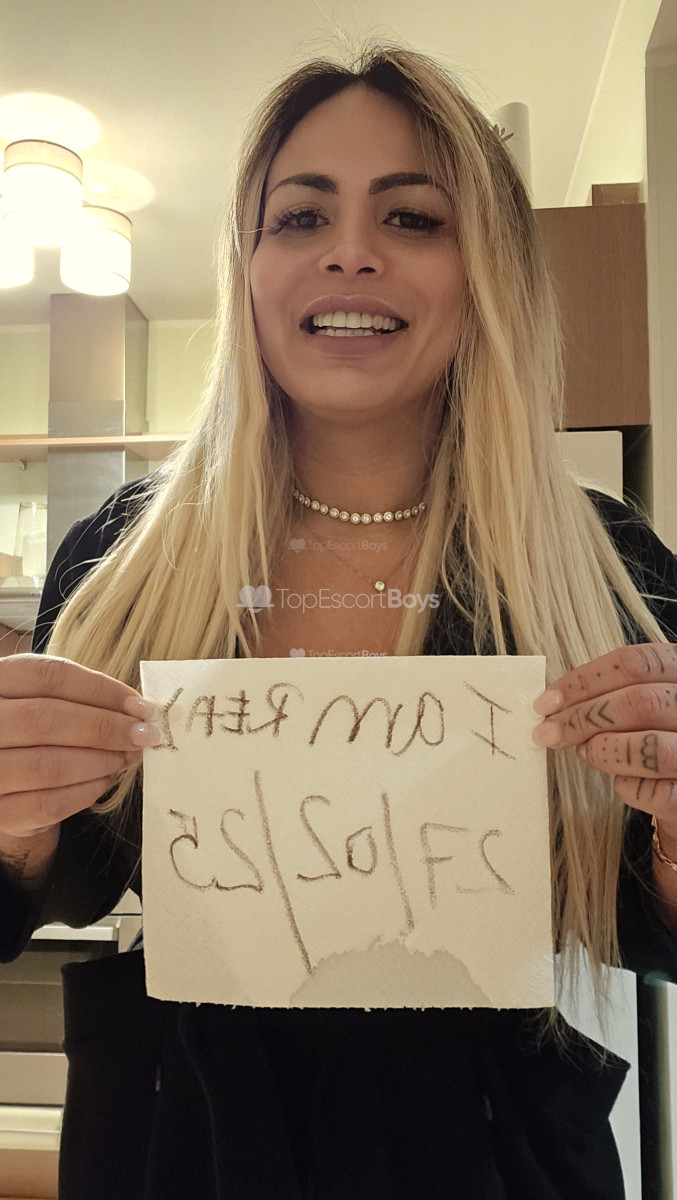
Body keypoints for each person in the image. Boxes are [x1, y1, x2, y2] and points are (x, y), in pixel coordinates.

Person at [1, 39, 677, 1200]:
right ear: (247, 267)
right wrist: (15, 823)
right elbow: (70, 886)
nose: (350, 253)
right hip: (185, 1143)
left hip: (486, 1149)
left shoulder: (599, 562)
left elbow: (640, 927)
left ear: (486, 271)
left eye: (411, 218)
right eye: (300, 218)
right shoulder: (125, 554)